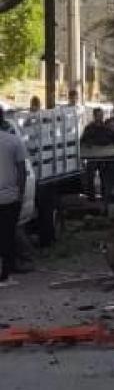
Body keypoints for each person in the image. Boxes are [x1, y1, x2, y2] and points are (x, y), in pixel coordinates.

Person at [0, 115, 29, 286]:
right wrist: (20, 194)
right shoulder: (13, 141)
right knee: (8, 236)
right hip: (9, 198)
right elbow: (22, 171)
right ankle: (5, 275)